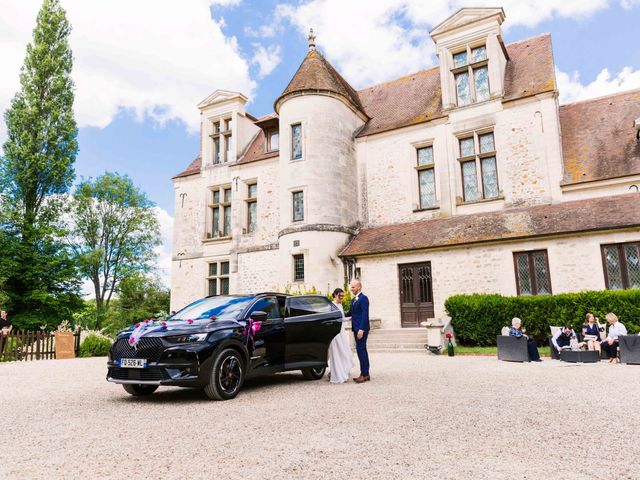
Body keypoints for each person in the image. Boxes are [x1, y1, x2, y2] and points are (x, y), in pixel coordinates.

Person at [327, 288, 354, 384]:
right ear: (334, 295)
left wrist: (348, 317)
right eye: (340, 296)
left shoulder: (340, 305)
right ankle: (337, 374)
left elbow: (342, 317)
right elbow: (335, 319)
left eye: (343, 296)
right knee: (336, 353)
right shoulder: (331, 305)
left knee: (344, 351)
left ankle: (343, 372)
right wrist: (349, 318)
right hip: (335, 333)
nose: (341, 297)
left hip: (341, 332)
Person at [347, 280, 370, 383]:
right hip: (356, 329)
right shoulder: (353, 300)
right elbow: (349, 313)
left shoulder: (363, 299)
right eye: (351, 287)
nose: (351, 289)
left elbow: (365, 315)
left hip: (361, 329)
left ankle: (364, 374)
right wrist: (338, 312)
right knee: (361, 350)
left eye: (353, 287)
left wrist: (361, 329)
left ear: (359, 287)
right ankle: (365, 374)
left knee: (361, 350)